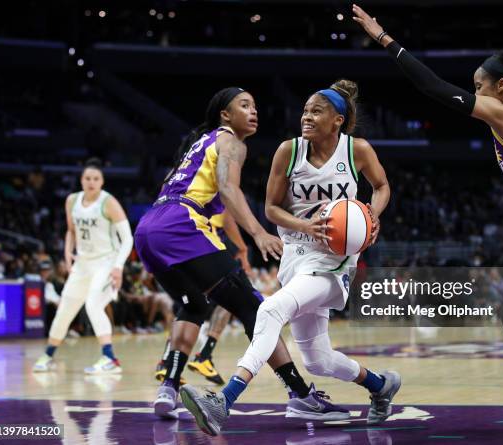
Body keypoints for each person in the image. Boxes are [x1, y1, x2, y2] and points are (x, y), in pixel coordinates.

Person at [352, 4, 503, 436]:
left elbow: (432, 87)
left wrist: (383, 38)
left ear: (500, 87)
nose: (474, 92)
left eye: (478, 86)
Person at [180, 80, 398, 437]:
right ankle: (380, 385)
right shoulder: (289, 151)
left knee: (268, 310)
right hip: (296, 255)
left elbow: (382, 186)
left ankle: (223, 401)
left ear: (338, 120)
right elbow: (270, 208)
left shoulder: (356, 150)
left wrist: (371, 218)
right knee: (318, 359)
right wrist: (305, 226)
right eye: (305, 110)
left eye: (317, 111)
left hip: (334, 262)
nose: (307, 117)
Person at [134, 87, 348, 421]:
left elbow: (219, 208)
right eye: (244, 105)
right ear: (225, 115)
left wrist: (241, 244)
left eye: (255, 106)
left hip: (150, 228)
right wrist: (259, 233)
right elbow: (229, 190)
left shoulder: (198, 145)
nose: (253, 111)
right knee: (253, 307)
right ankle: (300, 394)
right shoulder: (232, 141)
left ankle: (168, 389)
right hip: (181, 224)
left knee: (194, 304)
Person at [33, 158, 133, 374]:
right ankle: (48, 355)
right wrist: (68, 251)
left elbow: (127, 239)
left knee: (93, 304)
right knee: (65, 309)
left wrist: (118, 267)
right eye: (87, 178)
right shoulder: (72, 200)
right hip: (83, 264)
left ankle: (110, 359)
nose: (91, 182)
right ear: (81, 180)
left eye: (96, 178)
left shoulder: (109, 202)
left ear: (102, 181)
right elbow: (71, 230)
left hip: (106, 262)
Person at [154, 209, 250, 386]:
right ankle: (204, 356)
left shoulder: (180, 201)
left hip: (176, 254)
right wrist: (243, 250)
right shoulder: (215, 192)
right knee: (229, 300)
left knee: (189, 309)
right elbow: (228, 220)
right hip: (205, 257)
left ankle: (167, 361)